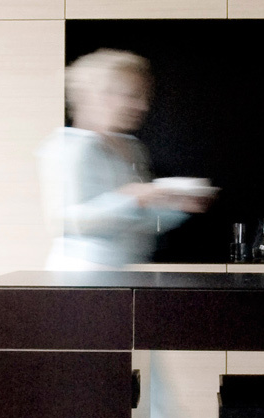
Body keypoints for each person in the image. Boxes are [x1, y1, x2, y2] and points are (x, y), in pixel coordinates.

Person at [38, 49, 211, 269]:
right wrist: (134, 197)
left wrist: (178, 206)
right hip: (81, 275)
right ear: (97, 95)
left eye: (144, 97)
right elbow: (67, 222)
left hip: (126, 272)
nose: (143, 106)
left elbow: (138, 222)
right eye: (132, 95)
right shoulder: (68, 147)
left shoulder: (133, 147)